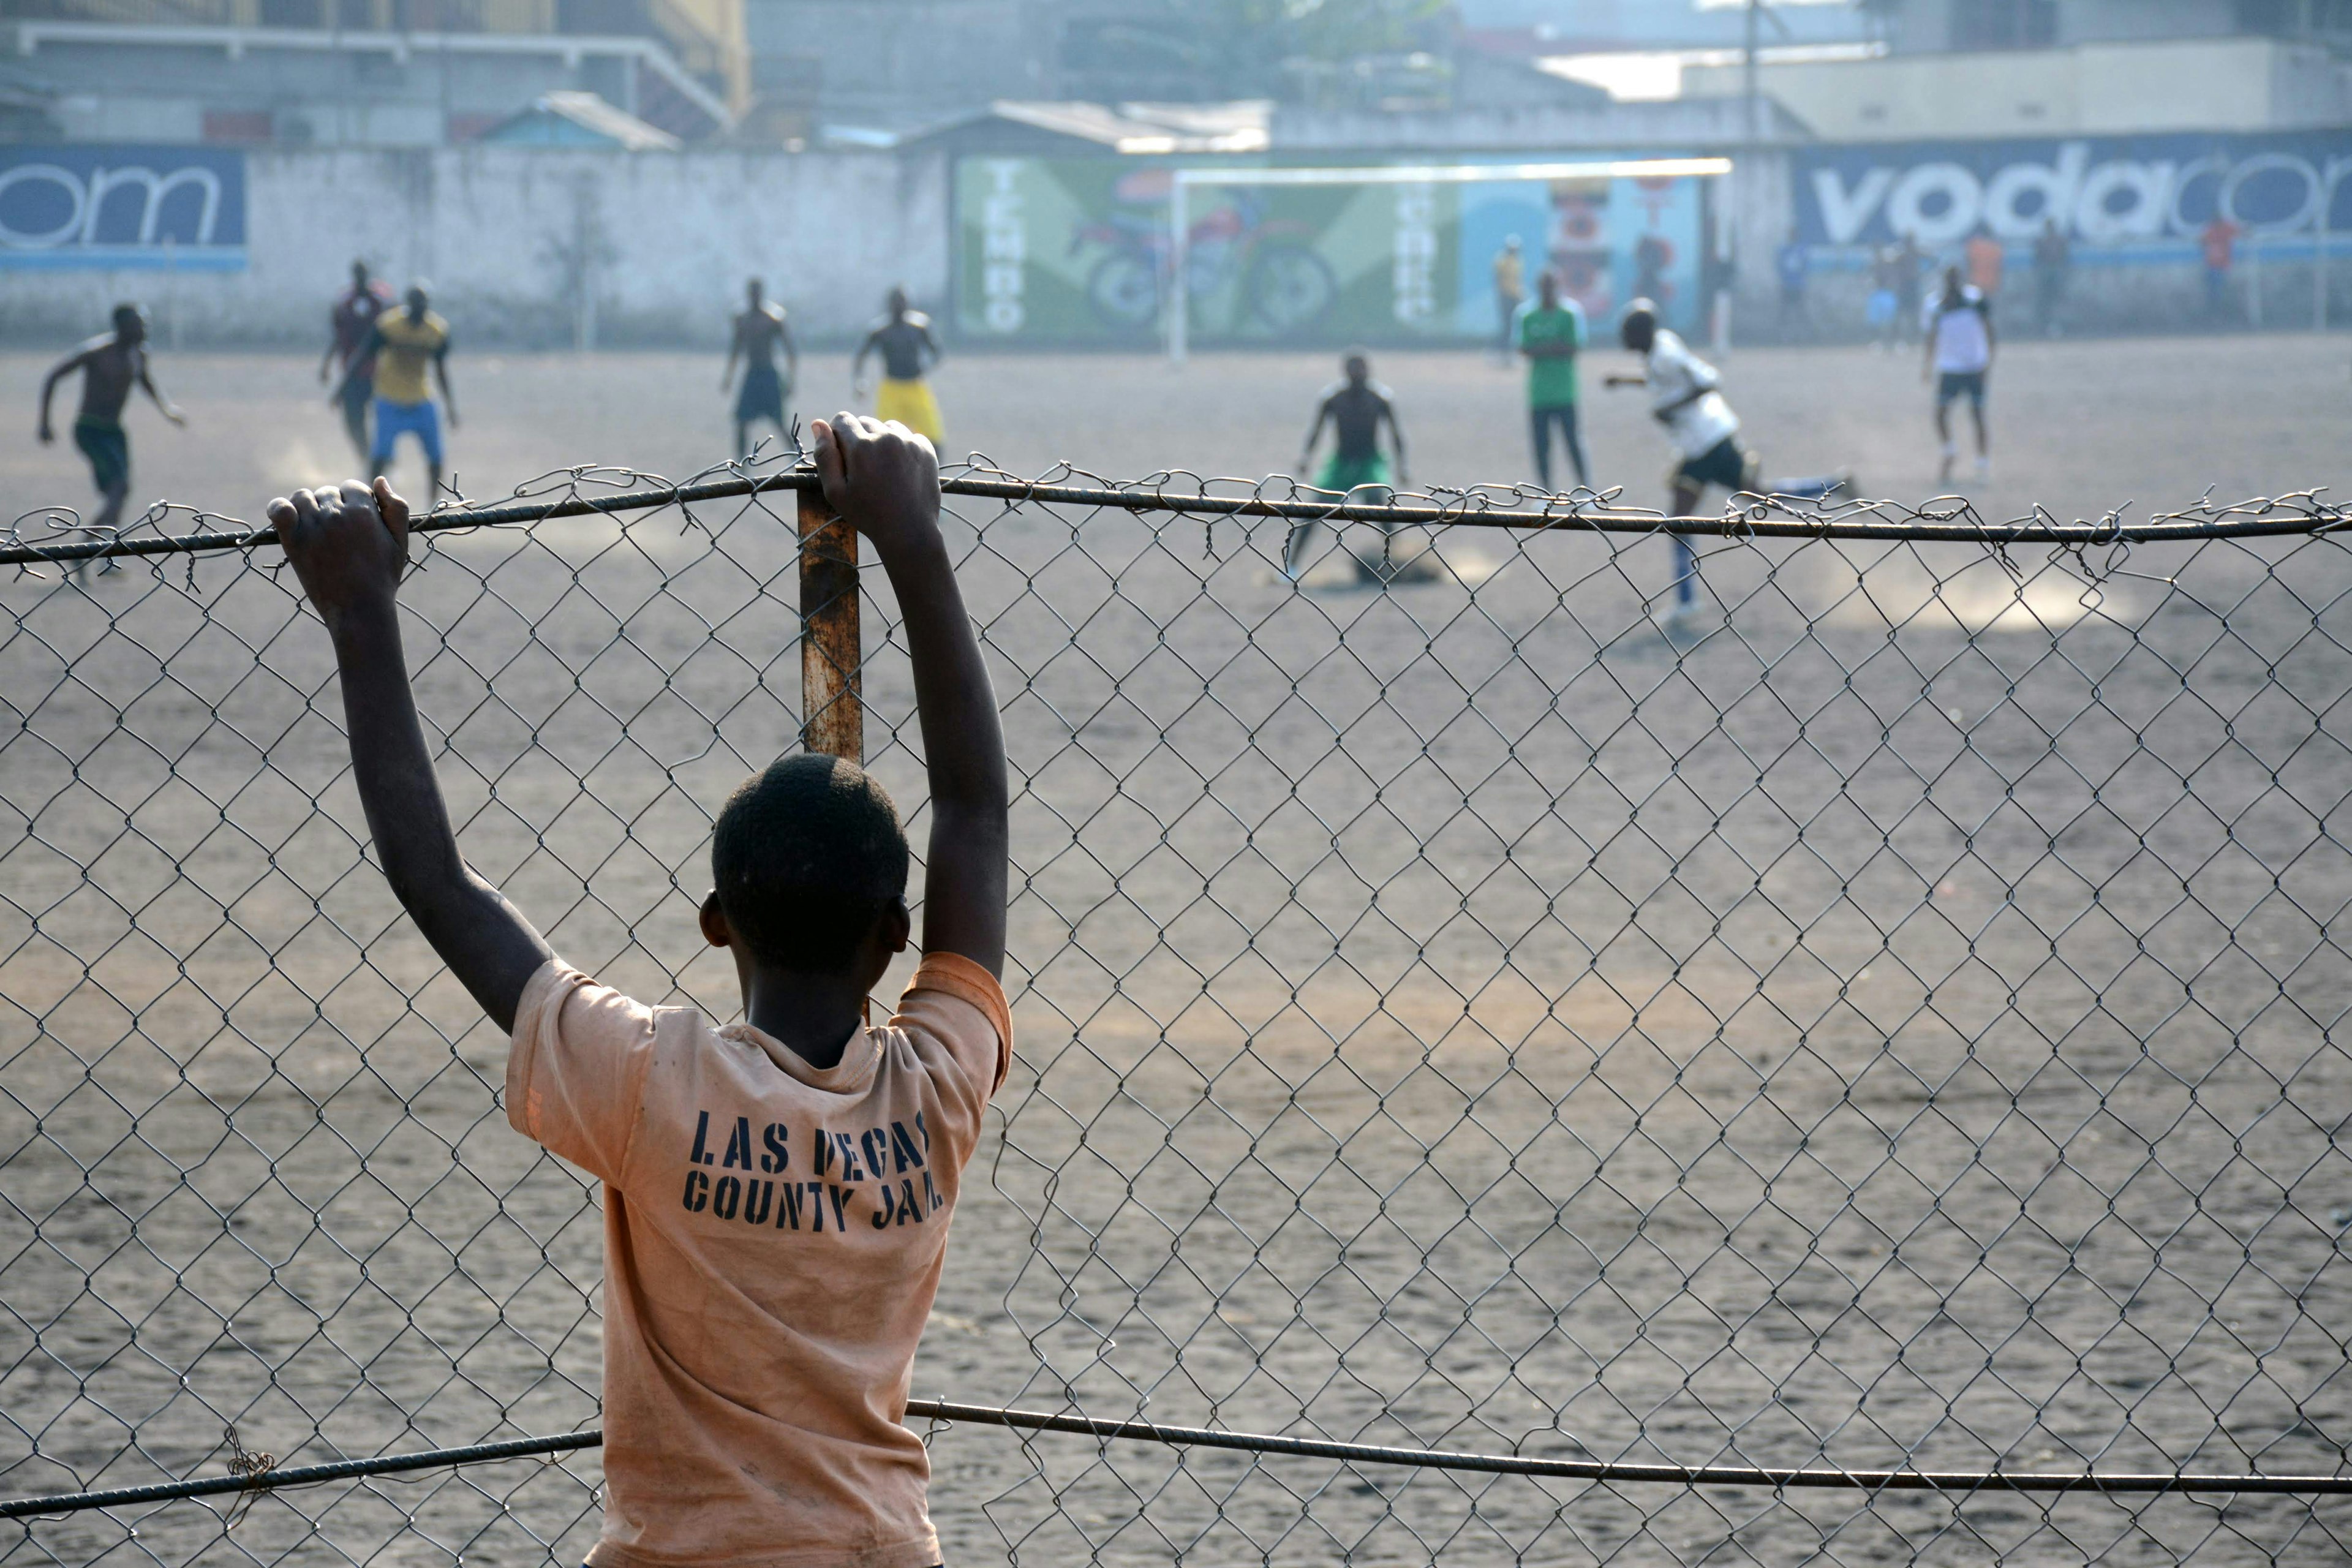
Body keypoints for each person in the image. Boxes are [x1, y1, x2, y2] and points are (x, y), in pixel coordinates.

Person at [262, 410, 1009, 1568]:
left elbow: (438, 884)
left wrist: (362, 609)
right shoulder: (940, 1090)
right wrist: (911, 538)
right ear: (895, 944)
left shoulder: (653, 1082)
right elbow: (975, 815)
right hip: (881, 1547)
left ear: (716, 926)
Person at [1605, 298, 1847, 627]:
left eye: (1627, 332)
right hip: (1702, 445)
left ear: (1642, 332)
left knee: (1692, 518)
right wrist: (1624, 381)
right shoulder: (1660, 346)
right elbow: (1663, 381)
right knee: (1748, 501)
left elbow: (1708, 380)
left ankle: (1687, 600)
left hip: (1710, 444)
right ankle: (1833, 485)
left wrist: (1670, 408)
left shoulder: (1665, 354)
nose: (1624, 338)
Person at [37, 303, 186, 581]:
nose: (144, 329)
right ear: (121, 327)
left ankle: (103, 557)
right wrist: (45, 423)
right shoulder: (97, 352)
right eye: (138, 325)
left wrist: (168, 410)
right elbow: (53, 377)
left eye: (145, 324)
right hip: (90, 429)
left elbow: (146, 382)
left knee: (119, 495)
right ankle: (81, 551)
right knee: (118, 489)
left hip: (115, 432)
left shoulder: (138, 355)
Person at [1286, 350, 1408, 582]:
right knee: (1314, 511)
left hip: (1370, 461)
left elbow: (1396, 435)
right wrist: (1306, 457)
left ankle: (1397, 559)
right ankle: (1291, 567)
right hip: (1340, 463)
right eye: (1353, 368)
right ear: (1345, 371)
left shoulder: (1380, 398)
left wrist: (1402, 466)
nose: (1357, 373)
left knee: (1379, 505)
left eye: (1361, 368)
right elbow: (1316, 430)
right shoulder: (1333, 398)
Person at [336, 282, 456, 502]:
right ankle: (371, 501)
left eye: (423, 304)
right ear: (407, 304)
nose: (419, 308)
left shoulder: (436, 331)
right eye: (415, 303)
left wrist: (451, 407)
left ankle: (433, 505)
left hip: (421, 398)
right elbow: (363, 354)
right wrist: (342, 387)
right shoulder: (389, 326)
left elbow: (441, 371)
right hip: (390, 399)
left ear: (428, 305)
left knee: (436, 457)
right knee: (380, 456)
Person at [1515, 270, 1589, 492]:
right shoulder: (1527, 315)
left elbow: (1573, 347)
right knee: (1541, 447)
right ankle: (1545, 493)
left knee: (1573, 443)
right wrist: (1554, 347)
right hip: (1539, 394)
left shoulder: (1569, 314)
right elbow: (1525, 349)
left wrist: (1543, 348)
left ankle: (1585, 490)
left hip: (1565, 391)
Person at [1924, 263, 1994, 484]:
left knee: (1977, 415)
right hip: (1951, 368)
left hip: (1973, 367)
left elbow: (1989, 331)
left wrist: (1988, 362)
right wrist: (1927, 366)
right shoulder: (1936, 306)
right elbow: (1931, 337)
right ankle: (1950, 450)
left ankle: (1982, 464)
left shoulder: (1976, 301)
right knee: (1941, 414)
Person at [320, 260, 394, 463]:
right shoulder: (344, 303)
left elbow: (391, 335)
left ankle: (384, 460)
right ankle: (366, 457)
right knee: (353, 421)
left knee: (384, 419)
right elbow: (338, 336)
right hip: (351, 372)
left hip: (378, 373)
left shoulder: (380, 303)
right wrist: (326, 364)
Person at [854, 287, 943, 445]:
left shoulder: (919, 326)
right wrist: (860, 381)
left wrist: (925, 367)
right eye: (895, 303)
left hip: (915, 386)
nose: (899, 306)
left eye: (902, 302)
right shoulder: (880, 330)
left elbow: (937, 352)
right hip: (891, 388)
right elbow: (861, 356)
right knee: (884, 436)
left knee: (932, 434)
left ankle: (937, 469)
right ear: (889, 305)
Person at [723, 277, 800, 458]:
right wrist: (729, 376)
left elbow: (790, 351)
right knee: (741, 421)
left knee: (780, 423)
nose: (754, 296)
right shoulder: (741, 319)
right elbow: (736, 348)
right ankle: (741, 466)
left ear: (762, 294)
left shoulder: (773, 318)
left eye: (757, 292)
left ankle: (797, 459)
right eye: (752, 293)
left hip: (769, 375)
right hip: (752, 374)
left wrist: (791, 380)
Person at [2032, 218, 2070, 338]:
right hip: (2046, 273)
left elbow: (2065, 257)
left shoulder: (2059, 241)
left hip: (2056, 272)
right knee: (2045, 301)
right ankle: (2045, 327)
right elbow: (2037, 258)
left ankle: (2057, 327)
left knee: (2056, 300)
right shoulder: (2042, 241)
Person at [1491, 236, 1526, 363]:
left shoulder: (1518, 261)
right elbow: (1498, 279)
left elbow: (1518, 280)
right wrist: (1502, 294)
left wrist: (1520, 294)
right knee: (1506, 325)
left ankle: (1509, 353)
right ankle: (1499, 351)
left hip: (1515, 296)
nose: (1514, 250)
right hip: (1505, 296)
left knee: (1513, 325)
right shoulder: (1502, 260)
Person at [2202, 212, 2241, 321]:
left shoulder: (2225, 229)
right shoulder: (2211, 231)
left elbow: (2240, 232)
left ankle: (2222, 312)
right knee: (2214, 291)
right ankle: (2216, 311)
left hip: (2222, 266)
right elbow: (2202, 241)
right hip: (2213, 266)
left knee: (2221, 290)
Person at [1867, 241, 1905, 350]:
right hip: (1877, 293)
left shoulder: (1891, 265)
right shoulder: (1875, 264)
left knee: (1892, 320)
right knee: (1876, 321)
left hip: (1888, 294)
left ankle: (1896, 343)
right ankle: (1877, 342)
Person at [1893, 231, 1926, 345]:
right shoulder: (1901, 254)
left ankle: (1913, 338)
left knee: (1913, 313)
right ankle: (1904, 339)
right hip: (1905, 286)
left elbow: (1930, 256)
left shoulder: (1914, 252)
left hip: (1912, 285)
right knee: (1903, 313)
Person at [1775, 227, 1809, 332]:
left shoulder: (1801, 251)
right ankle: (1781, 331)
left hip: (1797, 285)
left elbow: (1805, 267)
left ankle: (1803, 331)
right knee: (1785, 311)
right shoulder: (1785, 250)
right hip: (1787, 285)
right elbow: (1780, 266)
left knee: (1799, 311)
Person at [1965, 222, 2005, 305]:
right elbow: (2000, 267)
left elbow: (1968, 264)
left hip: (1976, 283)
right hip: (1992, 284)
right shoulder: (1996, 247)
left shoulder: (1973, 246)